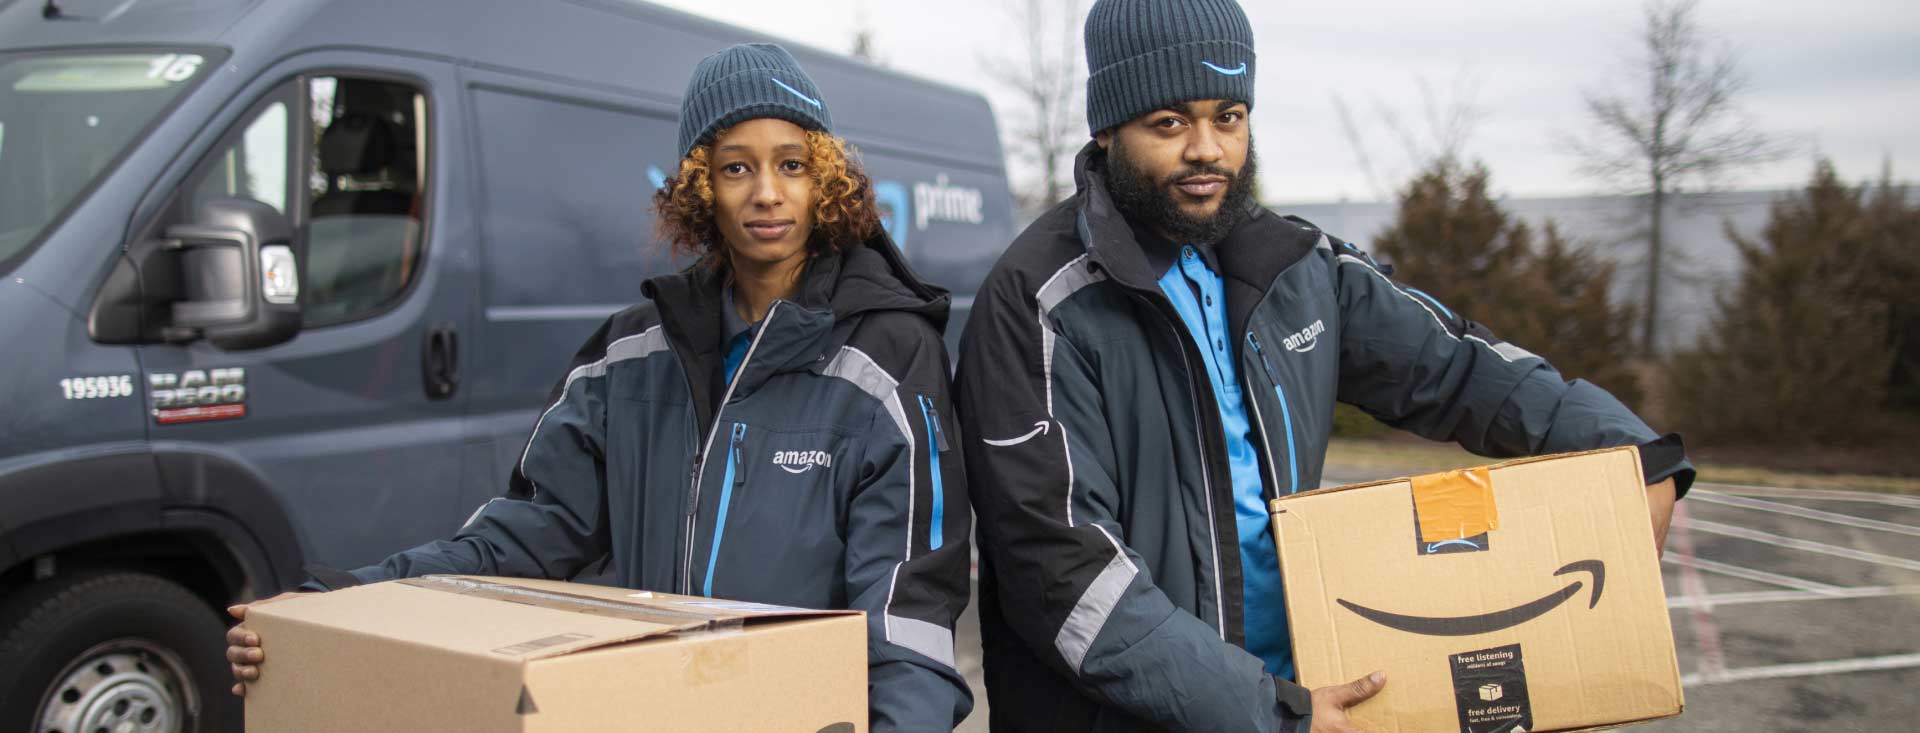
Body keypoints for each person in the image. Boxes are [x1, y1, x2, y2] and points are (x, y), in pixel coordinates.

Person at [955, 2, 1693, 731]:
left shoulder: (1298, 268)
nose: (1208, 148)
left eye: (1230, 115)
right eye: (1170, 122)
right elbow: (1062, 573)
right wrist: (1261, 709)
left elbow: (1459, 368)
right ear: (1108, 128)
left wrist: (1629, 450)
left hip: (1302, 698)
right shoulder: (1039, 304)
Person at [225, 43, 974, 732]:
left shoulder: (886, 358)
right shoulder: (627, 358)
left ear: (825, 180)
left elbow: (908, 615)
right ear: (698, 187)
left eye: (792, 164)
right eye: (736, 167)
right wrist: (346, 599)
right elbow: (520, 538)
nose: (767, 193)